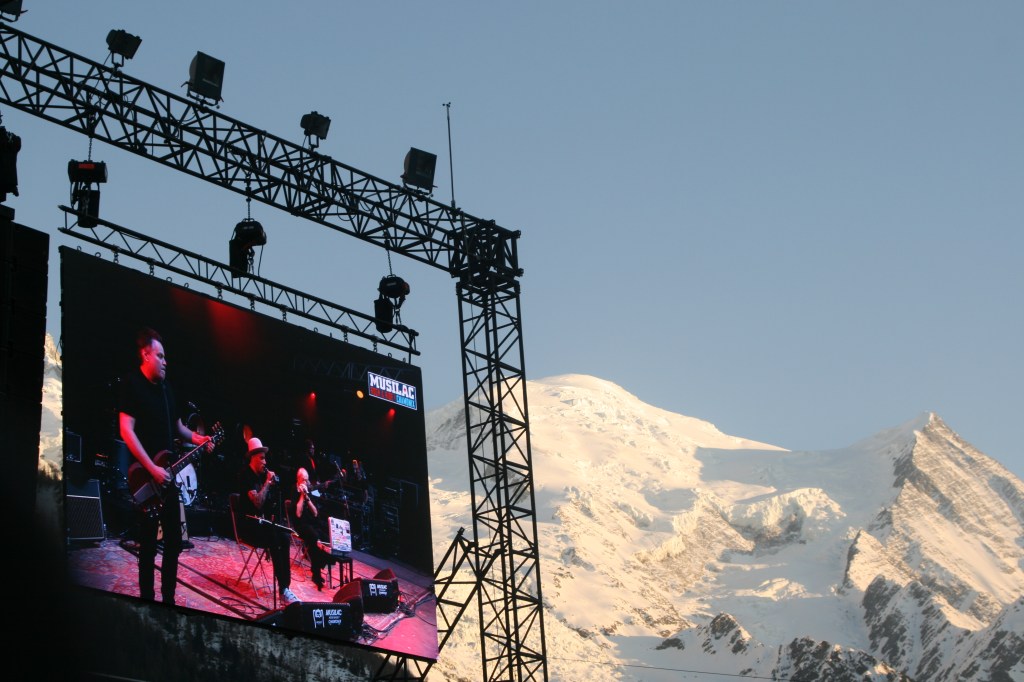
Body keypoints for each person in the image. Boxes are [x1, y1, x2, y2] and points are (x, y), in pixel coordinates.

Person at [119, 327, 212, 605]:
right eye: (159, 356)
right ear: (145, 354)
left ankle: (168, 599)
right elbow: (127, 430)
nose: (165, 361)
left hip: (167, 478)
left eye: (165, 356)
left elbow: (179, 429)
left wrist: (200, 439)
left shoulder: (167, 390)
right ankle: (147, 600)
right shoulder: (132, 384)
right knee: (147, 546)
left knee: (173, 542)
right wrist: (152, 468)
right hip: (145, 476)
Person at [237, 436, 298, 605]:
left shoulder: (261, 477)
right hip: (248, 526)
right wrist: (267, 484)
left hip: (261, 526)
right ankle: (284, 590)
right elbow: (257, 503)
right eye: (262, 458)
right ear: (252, 458)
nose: (265, 461)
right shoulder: (246, 475)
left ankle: (285, 588)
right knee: (274, 536)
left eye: (265, 458)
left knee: (284, 536)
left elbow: (269, 508)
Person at [293, 467, 332, 590]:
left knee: (326, 537)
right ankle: (316, 573)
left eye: (307, 480)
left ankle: (319, 565)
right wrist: (301, 497)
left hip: (311, 523)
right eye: (304, 480)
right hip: (300, 525)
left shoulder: (309, 491)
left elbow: (315, 513)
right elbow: (298, 514)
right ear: (298, 480)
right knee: (315, 538)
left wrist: (307, 498)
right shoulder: (294, 491)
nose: (307, 482)